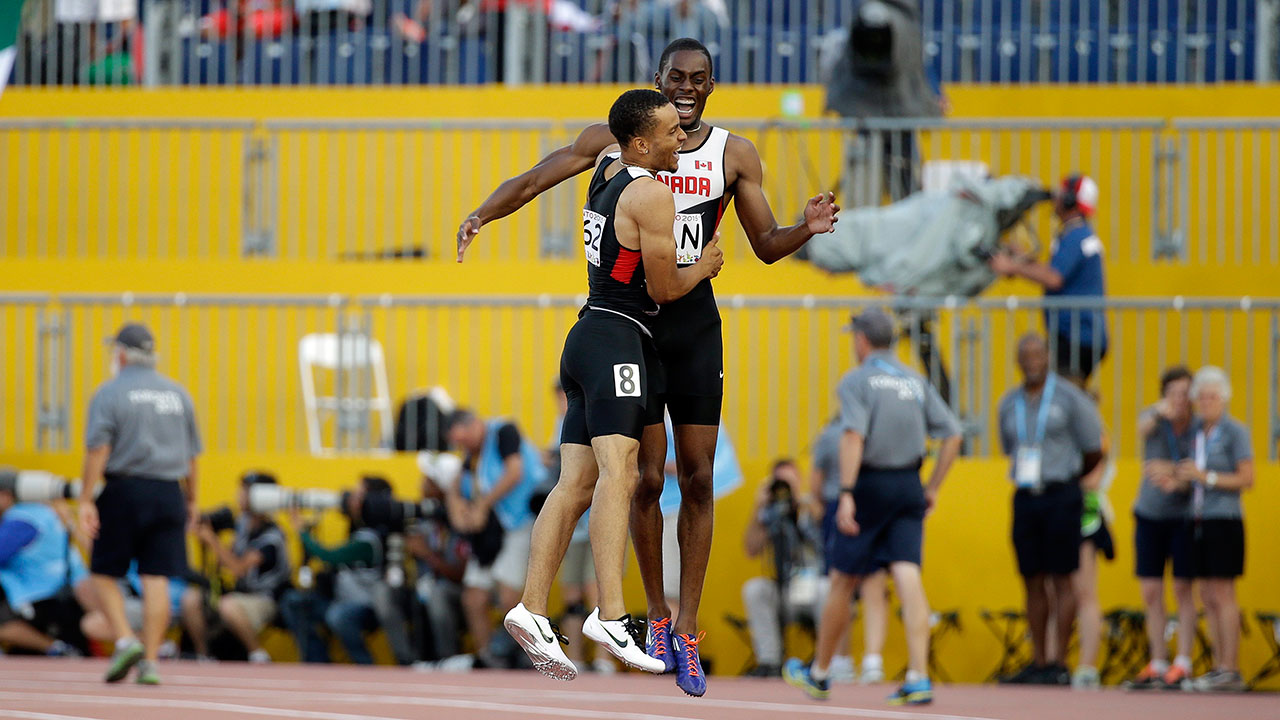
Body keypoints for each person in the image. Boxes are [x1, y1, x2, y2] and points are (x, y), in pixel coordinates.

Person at [459, 38, 838, 696]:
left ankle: (682, 629)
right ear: (657, 82)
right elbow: (532, 179)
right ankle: (648, 615)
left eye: (699, 80)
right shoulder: (618, 143)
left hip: (691, 332)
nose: (687, 89)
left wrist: (805, 227)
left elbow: (768, 246)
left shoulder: (733, 154)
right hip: (636, 329)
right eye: (676, 79)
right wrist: (483, 213)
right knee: (638, 479)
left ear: (713, 85)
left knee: (694, 480)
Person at [503, 88, 723, 686]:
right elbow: (663, 290)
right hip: (621, 340)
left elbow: (539, 177)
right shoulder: (652, 194)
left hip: (585, 336)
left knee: (574, 481)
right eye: (673, 134)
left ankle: (530, 605)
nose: (685, 139)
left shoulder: (606, 167)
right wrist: (703, 267)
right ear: (643, 143)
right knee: (621, 472)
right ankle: (612, 614)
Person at [785, 308, 962, 706]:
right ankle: (918, 675)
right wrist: (932, 486)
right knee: (907, 573)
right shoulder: (915, 381)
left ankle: (820, 672)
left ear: (862, 340)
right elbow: (952, 435)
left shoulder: (858, 380)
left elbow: (853, 437)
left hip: (869, 484)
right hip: (908, 484)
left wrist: (845, 492)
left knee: (844, 579)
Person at [78, 323, 201, 685]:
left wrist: (86, 498)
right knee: (156, 578)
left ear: (120, 354)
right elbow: (192, 456)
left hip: (126, 489)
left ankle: (125, 640)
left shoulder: (110, 393)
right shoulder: (179, 394)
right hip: (169, 491)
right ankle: (149, 661)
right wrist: (192, 499)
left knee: (102, 572)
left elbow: (99, 448)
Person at [995, 333, 1104, 686]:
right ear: (1017, 359)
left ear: (1047, 357)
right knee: (1031, 578)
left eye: (1037, 354)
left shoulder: (1070, 398)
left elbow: (1093, 447)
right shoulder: (1009, 402)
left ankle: (1059, 660)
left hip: (1061, 493)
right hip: (1027, 495)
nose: (1031, 361)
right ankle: (1038, 660)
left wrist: (1070, 479)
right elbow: (1008, 446)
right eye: (1024, 355)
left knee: (1062, 577)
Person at [444, 408, 546, 668]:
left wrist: (483, 505)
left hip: (519, 522)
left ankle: (527, 653)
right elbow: (456, 484)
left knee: (509, 596)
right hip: (492, 532)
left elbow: (515, 472)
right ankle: (488, 656)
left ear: (475, 425)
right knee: (473, 597)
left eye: (464, 440)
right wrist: (457, 506)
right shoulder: (473, 453)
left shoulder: (503, 432)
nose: (463, 446)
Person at [989, 174, 1107, 386]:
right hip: (1077, 335)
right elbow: (1054, 272)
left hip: (1075, 336)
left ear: (1071, 200)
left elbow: (1054, 278)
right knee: (1063, 390)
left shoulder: (1076, 236)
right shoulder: (1077, 235)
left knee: (1062, 394)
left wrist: (1013, 266)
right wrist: (1024, 261)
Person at [1125, 366, 1197, 690]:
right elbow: (1141, 429)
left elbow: (1198, 470)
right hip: (1150, 513)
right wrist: (1158, 410)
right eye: (1173, 393)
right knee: (1151, 590)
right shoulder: (1155, 419)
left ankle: (1182, 662)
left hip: (1183, 515)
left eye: (1185, 393)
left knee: (1183, 589)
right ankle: (1157, 660)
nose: (1180, 400)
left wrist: (1175, 475)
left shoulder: (1198, 427)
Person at [1181, 367, 1252, 693]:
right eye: (1202, 397)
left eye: (1213, 397)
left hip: (1224, 519)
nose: (1207, 402)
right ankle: (1218, 664)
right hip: (1198, 518)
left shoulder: (1235, 432)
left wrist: (1205, 477)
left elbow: (1246, 478)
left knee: (1223, 592)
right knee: (1206, 594)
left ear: (1224, 398)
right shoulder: (1195, 432)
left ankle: (1230, 667)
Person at [279, 475, 393, 665]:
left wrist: (301, 531)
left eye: (358, 496)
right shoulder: (356, 530)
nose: (349, 499)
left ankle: (366, 665)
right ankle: (318, 661)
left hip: (365, 606)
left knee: (338, 616)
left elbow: (329, 556)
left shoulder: (370, 539)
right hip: (341, 600)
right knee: (293, 601)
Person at [182, 471, 291, 663]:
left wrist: (213, 541)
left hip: (264, 598)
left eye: (246, 491)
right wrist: (206, 538)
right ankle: (203, 655)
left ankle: (257, 654)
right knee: (191, 599)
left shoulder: (272, 536)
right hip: (239, 593)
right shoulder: (242, 525)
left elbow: (238, 569)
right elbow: (225, 561)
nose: (240, 495)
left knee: (228, 606)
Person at [809, 414, 883, 684]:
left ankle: (841, 658)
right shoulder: (879, 430)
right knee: (874, 585)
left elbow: (816, 482)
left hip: (838, 507)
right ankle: (873, 660)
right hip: (877, 505)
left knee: (841, 585)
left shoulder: (831, 434)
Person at [740, 459, 823, 678]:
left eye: (790, 480)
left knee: (827, 588)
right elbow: (751, 549)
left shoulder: (809, 506)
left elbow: (824, 536)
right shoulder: (770, 513)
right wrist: (759, 506)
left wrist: (799, 502)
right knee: (755, 588)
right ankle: (770, 661)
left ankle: (826, 661)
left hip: (811, 588)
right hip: (783, 588)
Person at [0, 487, 90, 657]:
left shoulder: (23, 518)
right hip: (60, 587)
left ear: (6, 496)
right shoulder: (40, 512)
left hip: (42, 593)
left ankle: (58, 649)